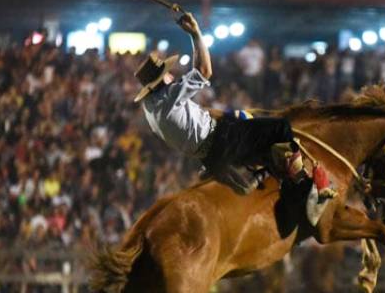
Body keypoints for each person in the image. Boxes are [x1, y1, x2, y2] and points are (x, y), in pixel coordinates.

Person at [133, 13, 334, 202]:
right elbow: (204, 71)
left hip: (208, 156)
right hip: (222, 140)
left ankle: (263, 176)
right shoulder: (168, 96)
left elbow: (191, 115)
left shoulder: (151, 107)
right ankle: (305, 183)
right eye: (168, 73)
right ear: (162, 80)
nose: (172, 74)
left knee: (244, 121)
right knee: (281, 127)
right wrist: (195, 34)